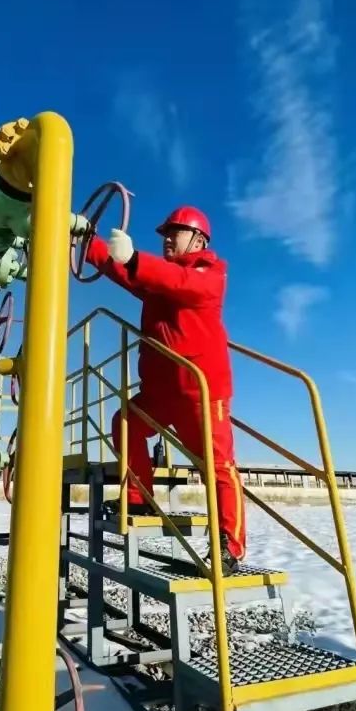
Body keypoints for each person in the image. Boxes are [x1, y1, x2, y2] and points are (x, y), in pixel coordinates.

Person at [85, 206, 245, 575]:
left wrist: (137, 257)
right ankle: (139, 500)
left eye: (176, 231)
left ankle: (229, 547)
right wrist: (82, 242)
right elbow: (121, 269)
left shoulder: (210, 274)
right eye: (165, 232)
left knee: (218, 466)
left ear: (199, 239)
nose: (167, 237)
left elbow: (179, 282)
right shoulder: (159, 279)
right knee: (125, 422)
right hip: (159, 392)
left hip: (200, 394)